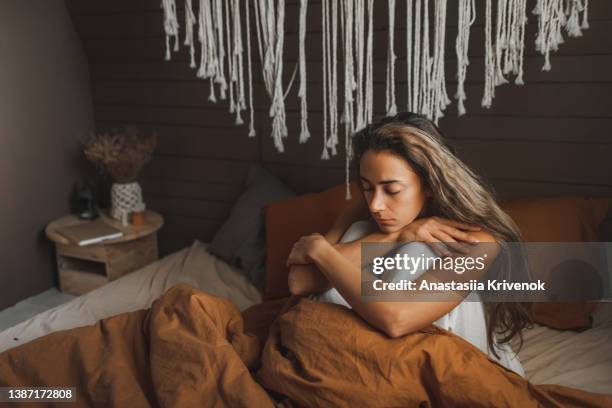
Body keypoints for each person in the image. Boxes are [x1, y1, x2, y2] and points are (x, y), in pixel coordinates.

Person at [285, 112, 532, 375]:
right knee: (363, 231)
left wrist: (320, 250)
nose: (376, 205)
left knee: (419, 249)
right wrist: (392, 237)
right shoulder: (363, 210)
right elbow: (299, 282)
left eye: (392, 190)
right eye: (367, 187)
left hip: (447, 366)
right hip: (363, 352)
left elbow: (397, 320)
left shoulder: (478, 240)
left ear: (429, 185)